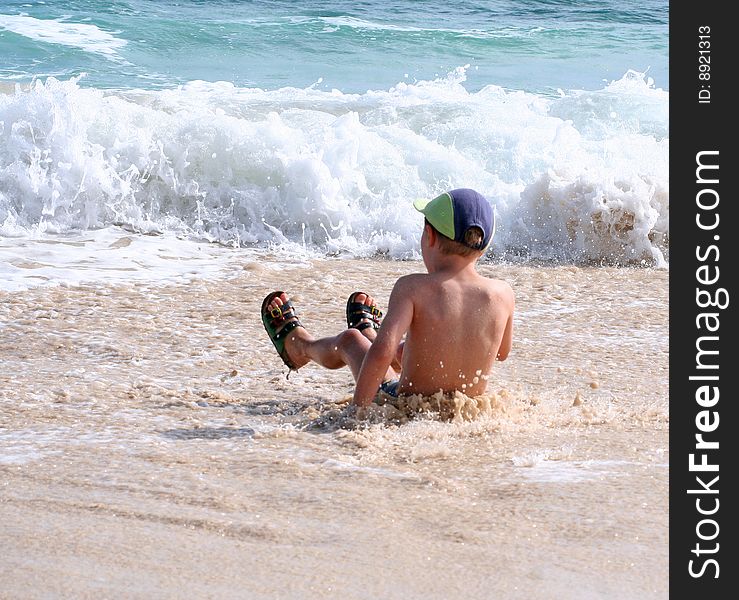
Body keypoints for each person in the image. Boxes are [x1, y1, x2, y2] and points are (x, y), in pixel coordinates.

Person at [261, 188, 514, 408]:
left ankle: (299, 348)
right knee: (409, 348)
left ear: (430, 236)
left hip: (408, 403)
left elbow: (383, 353)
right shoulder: (502, 294)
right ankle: (370, 334)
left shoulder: (412, 287)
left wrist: (358, 409)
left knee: (350, 341)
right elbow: (501, 353)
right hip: (462, 407)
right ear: (483, 247)